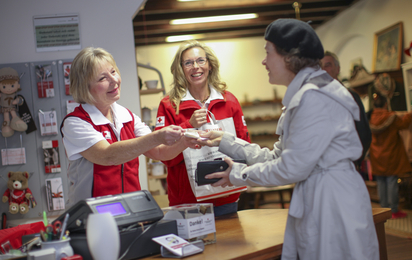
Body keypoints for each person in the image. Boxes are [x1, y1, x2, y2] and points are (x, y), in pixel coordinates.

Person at [196, 19, 379, 259]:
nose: (264, 61)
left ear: (289, 57)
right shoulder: (305, 94)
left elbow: (291, 167)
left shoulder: (314, 98)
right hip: (321, 193)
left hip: (332, 201)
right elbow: (277, 156)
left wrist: (237, 175)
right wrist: (226, 141)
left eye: (267, 52)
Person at [61, 47, 197, 208]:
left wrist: (184, 143)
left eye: (113, 71)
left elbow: (159, 151)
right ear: (85, 87)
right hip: (93, 216)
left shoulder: (126, 116)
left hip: (130, 210)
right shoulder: (75, 122)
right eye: (102, 78)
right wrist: (157, 136)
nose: (114, 80)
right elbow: (108, 156)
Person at [155, 40, 250, 217]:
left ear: (210, 65)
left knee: (231, 245)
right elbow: (164, 157)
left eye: (200, 61)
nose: (195, 67)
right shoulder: (169, 105)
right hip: (187, 202)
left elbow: (245, 146)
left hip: (226, 196)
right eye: (188, 63)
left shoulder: (229, 101)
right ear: (181, 69)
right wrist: (188, 126)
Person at [321, 51, 371, 170]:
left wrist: (355, 160)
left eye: (327, 65)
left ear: (337, 69)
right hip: (324, 167)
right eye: (320, 66)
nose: (323, 70)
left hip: (347, 164)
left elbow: (364, 132)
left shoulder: (350, 97)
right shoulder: (316, 98)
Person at [369, 93, 411, 219]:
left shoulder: (370, 118)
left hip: (376, 156)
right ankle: (393, 210)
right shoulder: (391, 117)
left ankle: (383, 209)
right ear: (386, 104)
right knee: (392, 182)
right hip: (391, 154)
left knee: (381, 183)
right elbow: (404, 124)